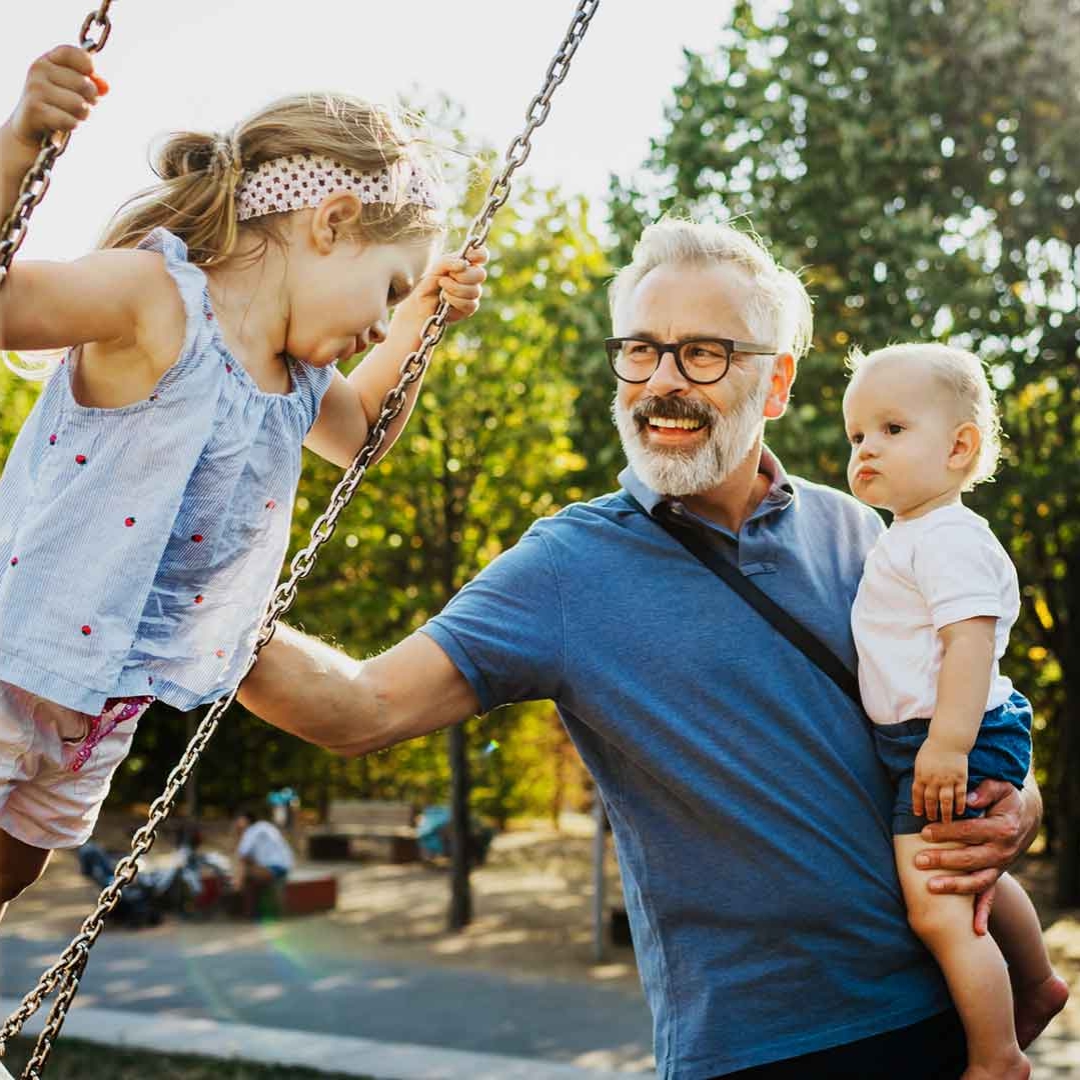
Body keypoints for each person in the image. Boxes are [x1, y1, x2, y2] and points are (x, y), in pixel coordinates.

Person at [237, 216, 1049, 1080]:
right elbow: (359, 708)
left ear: (774, 385)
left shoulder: (864, 534)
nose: (664, 382)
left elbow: (965, 696)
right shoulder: (566, 565)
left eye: (703, 353)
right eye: (642, 351)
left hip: (941, 1013)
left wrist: (1017, 797)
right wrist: (200, 603)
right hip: (750, 1047)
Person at [0, 45, 487, 922]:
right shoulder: (156, 301)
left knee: (11, 874)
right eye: (387, 286)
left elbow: (363, 438)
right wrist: (22, 144)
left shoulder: (297, 385)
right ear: (331, 222)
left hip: (104, 697)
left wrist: (419, 324)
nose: (379, 319)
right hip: (12, 652)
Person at [843, 344, 1068, 1079]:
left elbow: (969, 645)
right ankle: (1035, 985)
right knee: (971, 881)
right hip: (933, 738)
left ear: (960, 446)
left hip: (947, 738)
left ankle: (997, 1056)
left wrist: (946, 745)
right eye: (857, 436)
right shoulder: (910, 533)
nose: (867, 446)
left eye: (892, 429)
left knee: (937, 907)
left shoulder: (947, 537)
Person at [233, 804, 294, 919]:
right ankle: (257, 912)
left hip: (274, 868)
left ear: (245, 820)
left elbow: (242, 855)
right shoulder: (265, 826)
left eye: (238, 820)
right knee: (250, 872)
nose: (236, 823)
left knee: (247, 876)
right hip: (284, 866)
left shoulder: (251, 831)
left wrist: (237, 884)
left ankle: (252, 914)